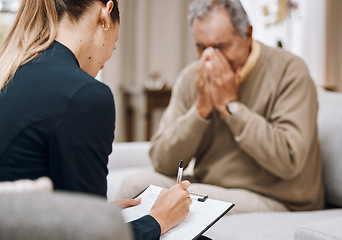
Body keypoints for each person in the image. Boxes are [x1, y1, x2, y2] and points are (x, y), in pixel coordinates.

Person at [0, 0, 192, 239]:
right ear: (106, 12)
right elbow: (92, 236)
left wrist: (101, 212)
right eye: (116, 43)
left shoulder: (14, 71)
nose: (110, 54)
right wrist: (159, 219)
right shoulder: (84, 96)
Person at [116, 0, 324, 213]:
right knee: (135, 186)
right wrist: (200, 111)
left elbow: (289, 161)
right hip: (213, 185)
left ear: (247, 34)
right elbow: (162, 161)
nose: (209, 58)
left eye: (219, 46)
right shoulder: (191, 78)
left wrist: (230, 106)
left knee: (190, 200)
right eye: (201, 47)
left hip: (277, 196)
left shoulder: (290, 71)